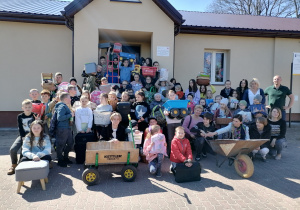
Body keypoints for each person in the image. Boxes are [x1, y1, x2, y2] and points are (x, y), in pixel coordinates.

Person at [7, 99, 39, 175]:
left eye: (29, 107)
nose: (27, 109)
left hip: (32, 137)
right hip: (22, 136)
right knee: (13, 149)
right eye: (26, 107)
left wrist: (38, 120)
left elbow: (38, 127)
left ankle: (20, 166)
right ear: (23, 108)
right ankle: (14, 165)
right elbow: (20, 127)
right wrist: (23, 137)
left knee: (23, 151)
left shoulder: (34, 115)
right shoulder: (20, 116)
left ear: (32, 108)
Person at [55, 92, 74, 167]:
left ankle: (65, 157)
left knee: (70, 143)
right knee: (61, 145)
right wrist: (70, 115)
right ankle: (60, 160)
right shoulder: (61, 106)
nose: (70, 99)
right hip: (62, 129)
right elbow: (59, 118)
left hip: (67, 128)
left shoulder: (64, 106)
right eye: (69, 98)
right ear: (65, 99)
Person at [164, 90, 182, 155]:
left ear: (175, 95)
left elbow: (183, 110)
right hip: (170, 123)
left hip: (178, 122)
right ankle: (170, 152)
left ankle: (178, 152)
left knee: (179, 137)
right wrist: (166, 113)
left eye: (173, 95)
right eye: (170, 95)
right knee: (170, 138)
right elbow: (165, 111)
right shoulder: (167, 103)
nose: (172, 96)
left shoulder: (179, 102)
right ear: (168, 96)